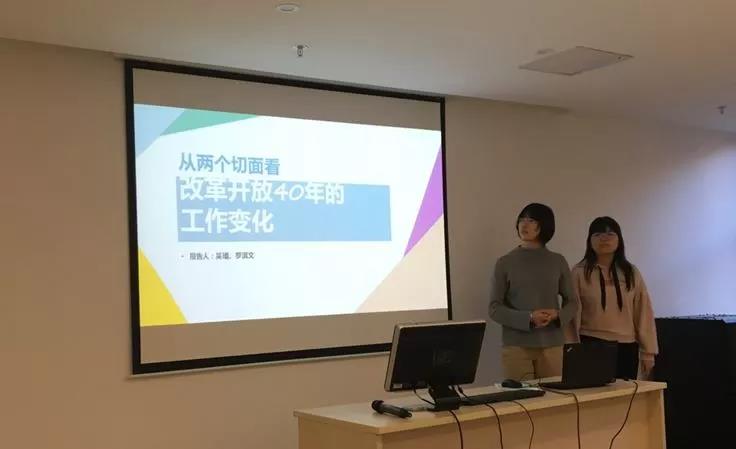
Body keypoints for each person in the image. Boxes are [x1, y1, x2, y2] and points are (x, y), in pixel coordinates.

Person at [489, 203, 578, 380]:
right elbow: (494, 308)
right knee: (521, 397)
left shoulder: (557, 261)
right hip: (516, 346)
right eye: (522, 220)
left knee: (554, 396)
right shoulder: (505, 262)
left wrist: (558, 315)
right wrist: (529, 317)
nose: (525, 224)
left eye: (531, 220)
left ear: (544, 225)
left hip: (552, 345)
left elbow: (573, 302)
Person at [570, 216, 658, 379]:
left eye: (610, 234)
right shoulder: (579, 272)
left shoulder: (631, 272)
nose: (604, 238)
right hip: (590, 343)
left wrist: (648, 352)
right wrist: (571, 348)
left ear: (619, 240)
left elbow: (644, 312)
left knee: (625, 393)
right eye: (597, 234)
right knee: (593, 393)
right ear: (589, 241)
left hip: (626, 345)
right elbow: (572, 313)